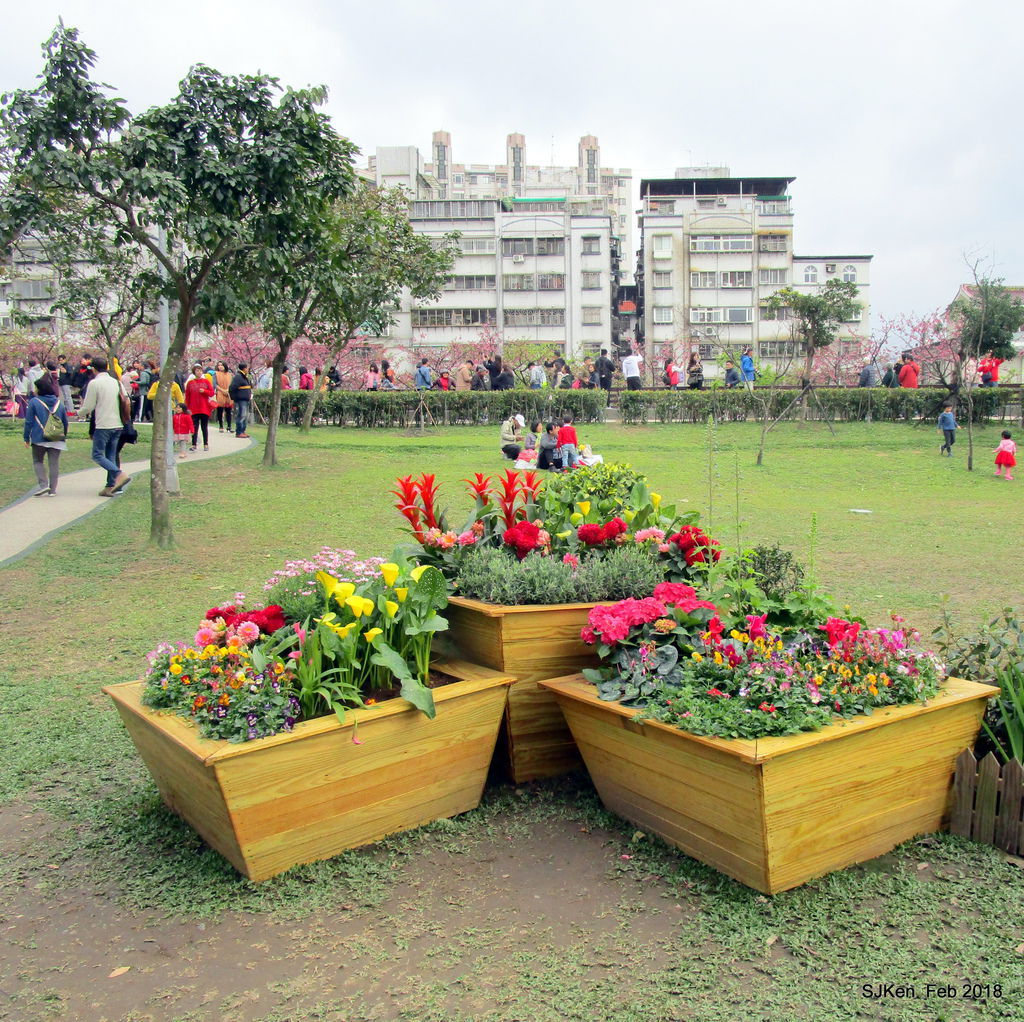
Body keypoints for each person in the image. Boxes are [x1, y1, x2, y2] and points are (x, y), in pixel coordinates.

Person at [78, 354, 131, 496]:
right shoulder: (116, 382)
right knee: (110, 455)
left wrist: (78, 413)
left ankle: (118, 474)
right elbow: (126, 399)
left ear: (93, 369)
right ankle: (110, 486)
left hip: (103, 424)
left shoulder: (94, 383)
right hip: (118, 424)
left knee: (97, 455)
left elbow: (88, 406)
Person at [23, 372, 68, 496]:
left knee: (38, 461)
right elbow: (65, 422)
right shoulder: (59, 403)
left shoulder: (34, 402)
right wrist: (63, 435)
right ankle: (52, 490)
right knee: (54, 464)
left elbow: (28, 422)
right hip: (57, 437)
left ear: (39, 389)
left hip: (39, 437)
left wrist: (26, 438)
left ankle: (43, 485)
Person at [185, 363, 214, 451]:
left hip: (204, 408)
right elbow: (187, 396)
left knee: (204, 427)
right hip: (193, 408)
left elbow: (212, 393)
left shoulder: (206, 382)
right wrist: (187, 408)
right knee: (194, 427)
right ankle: (194, 444)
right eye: (197, 371)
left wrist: (204, 391)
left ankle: (206, 444)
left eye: (200, 370)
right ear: (194, 372)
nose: (199, 372)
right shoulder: (190, 383)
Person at [228, 363, 253, 438]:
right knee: (241, 415)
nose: (248, 369)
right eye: (247, 368)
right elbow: (232, 388)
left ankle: (243, 431)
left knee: (245, 416)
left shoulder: (244, 377)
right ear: (244, 368)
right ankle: (239, 432)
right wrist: (233, 398)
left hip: (245, 399)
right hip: (241, 400)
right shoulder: (238, 377)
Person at [212, 361, 233, 432]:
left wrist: (228, 390)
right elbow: (214, 384)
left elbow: (231, 383)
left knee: (228, 410)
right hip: (220, 393)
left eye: (221, 365)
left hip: (228, 393)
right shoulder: (215, 374)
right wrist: (222, 390)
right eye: (219, 365)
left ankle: (229, 426)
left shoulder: (229, 374)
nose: (220, 366)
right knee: (220, 410)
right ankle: (221, 426)